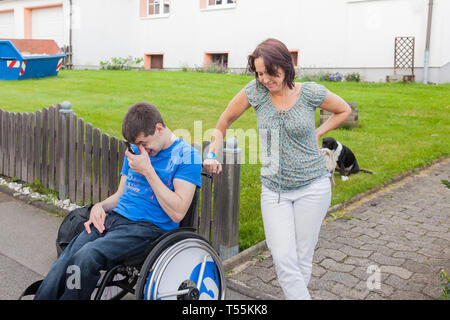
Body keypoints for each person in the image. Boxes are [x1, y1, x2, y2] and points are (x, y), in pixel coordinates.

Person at [203, 38, 351, 300]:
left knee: (301, 259)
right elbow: (224, 120)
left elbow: (343, 110)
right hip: (274, 191)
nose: (265, 79)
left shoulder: (309, 93)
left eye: (271, 73)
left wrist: (318, 132)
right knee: (283, 257)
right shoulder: (256, 92)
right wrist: (213, 151)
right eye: (259, 73)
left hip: (313, 187)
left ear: (286, 66)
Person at [34, 102, 201, 299]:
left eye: (143, 143)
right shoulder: (135, 151)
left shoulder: (187, 156)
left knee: (87, 256)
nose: (140, 149)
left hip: (148, 229)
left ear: (159, 128)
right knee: (69, 255)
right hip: (115, 218)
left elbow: (178, 211)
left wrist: (148, 171)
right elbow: (121, 194)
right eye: (137, 145)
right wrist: (100, 206)